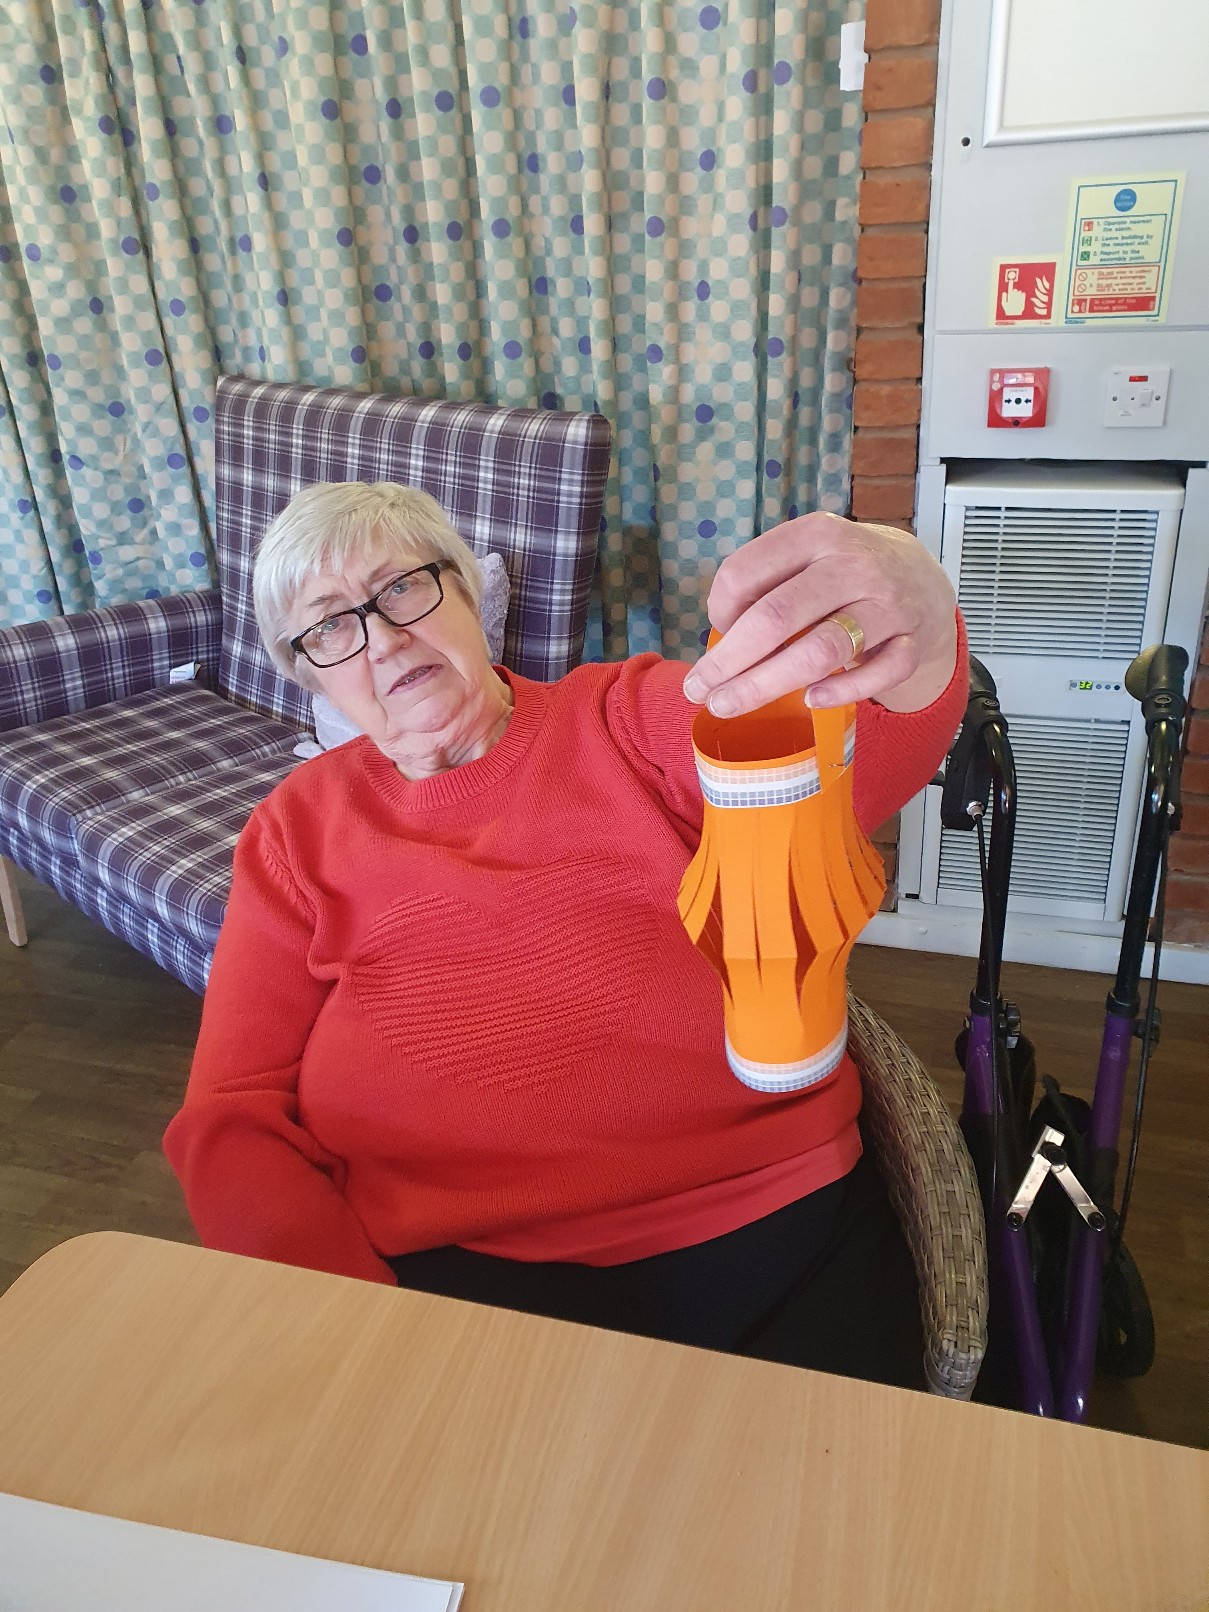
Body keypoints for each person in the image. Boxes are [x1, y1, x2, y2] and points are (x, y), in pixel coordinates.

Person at [164, 481, 965, 1389]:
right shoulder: (295, 829)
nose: (382, 637)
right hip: (442, 1282)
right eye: (331, 627)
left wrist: (920, 629)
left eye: (401, 590)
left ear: (465, 594)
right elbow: (231, 1113)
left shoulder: (622, 719)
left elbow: (842, 773)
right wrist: (349, 1319)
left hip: (757, 1226)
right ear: (311, 674)